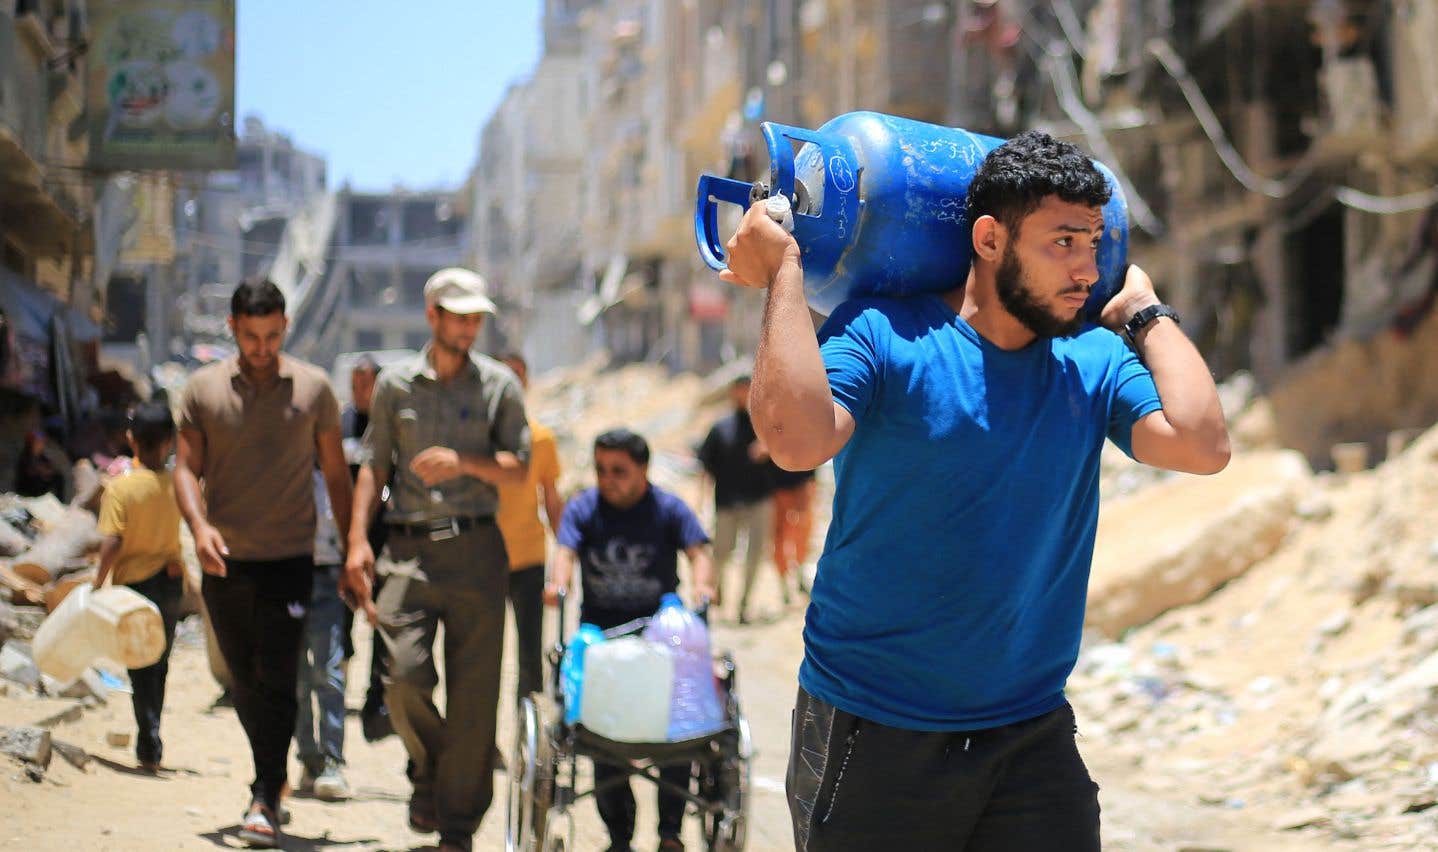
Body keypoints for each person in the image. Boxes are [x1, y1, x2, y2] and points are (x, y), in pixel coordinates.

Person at [720, 131, 1231, 851]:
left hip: (1029, 732)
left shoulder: (1089, 360)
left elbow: (1203, 445)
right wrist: (784, 274)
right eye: (1062, 242)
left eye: (1093, 241)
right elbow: (794, 439)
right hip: (875, 723)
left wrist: (1143, 313)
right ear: (990, 239)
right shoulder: (886, 335)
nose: (1087, 268)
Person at [344, 267, 530, 852]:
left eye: (478, 317)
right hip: (406, 549)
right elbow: (374, 464)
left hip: (477, 548)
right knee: (402, 678)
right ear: (433, 317)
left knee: (475, 697)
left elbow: (518, 467)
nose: (472, 326)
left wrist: (464, 462)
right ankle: (428, 768)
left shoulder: (500, 385)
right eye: (460, 316)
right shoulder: (395, 385)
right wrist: (356, 541)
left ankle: (456, 825)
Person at [175, 279, 353, 850]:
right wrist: (199, 528)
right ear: (233, 328)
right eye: (251, 336)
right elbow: (184, 469)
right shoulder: (202, 390)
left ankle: (263, 796)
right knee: (243, 679)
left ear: (284, 329)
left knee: (278, 676)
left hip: (291, 558)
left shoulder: (314, 389)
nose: (261, 348)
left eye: (272, 336)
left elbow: (336, 472)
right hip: (225, 561)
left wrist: (353, 546)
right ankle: (272, 775)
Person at [545, 428, 717, 852]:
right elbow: (565, 551)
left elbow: (699, 552)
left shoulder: (667, 509)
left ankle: (669, 835)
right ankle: (619, 837)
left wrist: (704, 587)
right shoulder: (584, 508)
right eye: (601, 469)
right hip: (602, 639)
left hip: (661, 637)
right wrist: (558, 582)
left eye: (618, 471)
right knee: (604, 734)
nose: (608, 479)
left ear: (643, 469)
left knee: (677, 734)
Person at [91, 402, 183, 773]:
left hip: (134, 587)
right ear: (170, 442)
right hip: (172, 581)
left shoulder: (120, 488)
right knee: (159, 662)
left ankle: (148, 739)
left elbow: (113, 541)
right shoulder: (179, 484)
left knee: (138, 664)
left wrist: (98, 582)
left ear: (130, 438)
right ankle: (152, 736)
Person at [495, 352, 564, 703]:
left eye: (517, 375)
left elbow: (551, 500)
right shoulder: (478, 439)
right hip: (484, 559)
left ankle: (529, 732)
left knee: (529, 653)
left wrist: (565, 556)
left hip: (528, 558)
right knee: (482, 659)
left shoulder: (541, 439)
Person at [696, 375, 775, 622]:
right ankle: (717, 601)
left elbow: (789, 457)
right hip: (727, 503)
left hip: (759, 501)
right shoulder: (720, 428)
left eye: (747, 391)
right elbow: (705, 467)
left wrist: (770, 450)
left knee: (754, 557)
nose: (742, 396)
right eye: (738, 391)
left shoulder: (766, 427)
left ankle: (744, 607)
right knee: (720, 555)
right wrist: (700, 500)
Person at [294, 469, 350, 801]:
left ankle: (333, 760)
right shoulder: (286, 469)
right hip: (292, 575)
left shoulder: (336, 475)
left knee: (328, 672)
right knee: (298, 676)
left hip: (329, 576)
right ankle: (308, 757)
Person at [769, 463, 817, 596]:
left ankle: (799, 576)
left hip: (801, 485)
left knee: (802, 536)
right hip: (777, 489)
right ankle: (784, 583)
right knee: (779, 538)